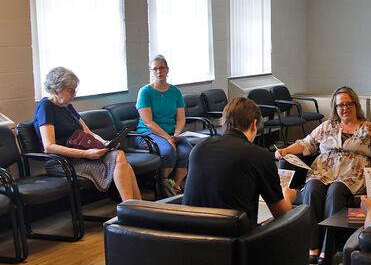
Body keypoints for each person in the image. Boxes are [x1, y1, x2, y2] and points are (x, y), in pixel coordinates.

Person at [275, 86, 371, 263]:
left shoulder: (368, 128)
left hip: (352, 175)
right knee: (312, 187)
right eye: (340, 105)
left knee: (336, 190)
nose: (344, 108)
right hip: (323, 171)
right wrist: (285, 150)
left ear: (356, 105)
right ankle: (311, 245)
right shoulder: (327, 126)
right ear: (335, 108)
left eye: (348, 104)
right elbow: (306, 143)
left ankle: (328, 246)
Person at [182, 97, 296, 229]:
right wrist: (288, 195)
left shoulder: (198, 148)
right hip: (234, 240)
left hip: (189, 235)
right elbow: (281, 213)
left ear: (224, 124)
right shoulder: (259, 156)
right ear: (254, 124)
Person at [33, 67, 141, 201]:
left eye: (75, 90)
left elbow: (88, 133)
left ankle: (135, 209)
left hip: (82, 155)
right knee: (120, 160)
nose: (74, 95)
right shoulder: (45, 107)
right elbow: (49, 146)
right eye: (71, 91)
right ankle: (132, 210)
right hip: (62, 162)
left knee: (120, 158)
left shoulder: (67, 107)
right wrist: (86, 154)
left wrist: (104, 143)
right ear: (56, 90)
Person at [135, 54, 192, 193]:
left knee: (187, 151)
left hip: (172, 133)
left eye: (162, 68)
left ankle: (176, 187)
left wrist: (177, 133)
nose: (159, 72)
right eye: (155, 69)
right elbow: (148, 122)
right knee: (168, 151)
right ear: (151, 71)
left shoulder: (175, 92)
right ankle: (163, 185)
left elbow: (180, 119)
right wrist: (167, 137)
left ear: (167, 70)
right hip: (147, 134)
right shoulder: (145, 92)